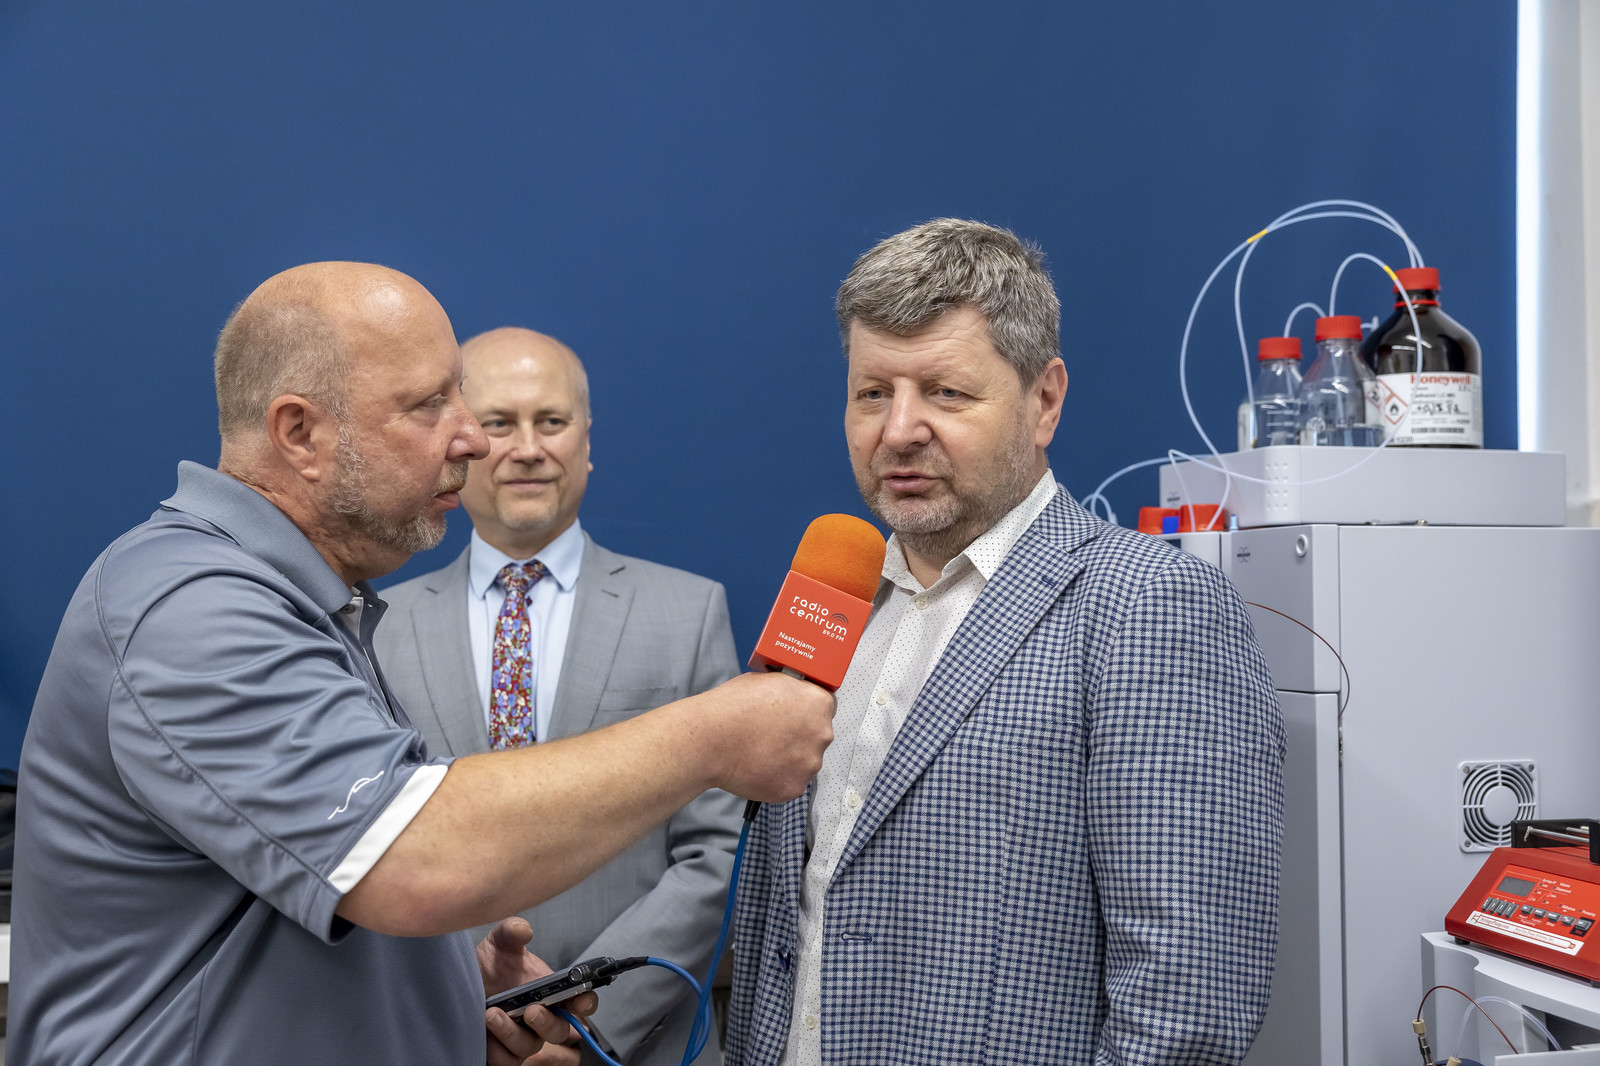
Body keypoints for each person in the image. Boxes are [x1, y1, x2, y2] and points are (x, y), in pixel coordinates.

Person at [10, 262, 835, 1066]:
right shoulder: (194, 607)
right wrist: (712, 737)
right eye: (430, 404)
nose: (472, 438)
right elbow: (411, 860)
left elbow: (306, 879)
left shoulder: (311, 603)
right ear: (300, 434)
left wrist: (440, 987)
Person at [724, 220, 1285, 1066]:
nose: (898, 430)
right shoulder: (836, 599)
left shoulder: (1150, 606)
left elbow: (1186, 1003)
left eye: (946, 393)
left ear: (1044, 400)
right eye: (872, 393)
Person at [376, 327, 743, 1065]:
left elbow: (720, 852)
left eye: (551, 420)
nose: (528, 448)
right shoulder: (375, 630)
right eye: (499, 422)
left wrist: (583, 1021)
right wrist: (476, 1017)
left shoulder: (689, 612)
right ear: (458, 444)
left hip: (637, 1041)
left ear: (586, 440)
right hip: (442, 1037)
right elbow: (366, 852)